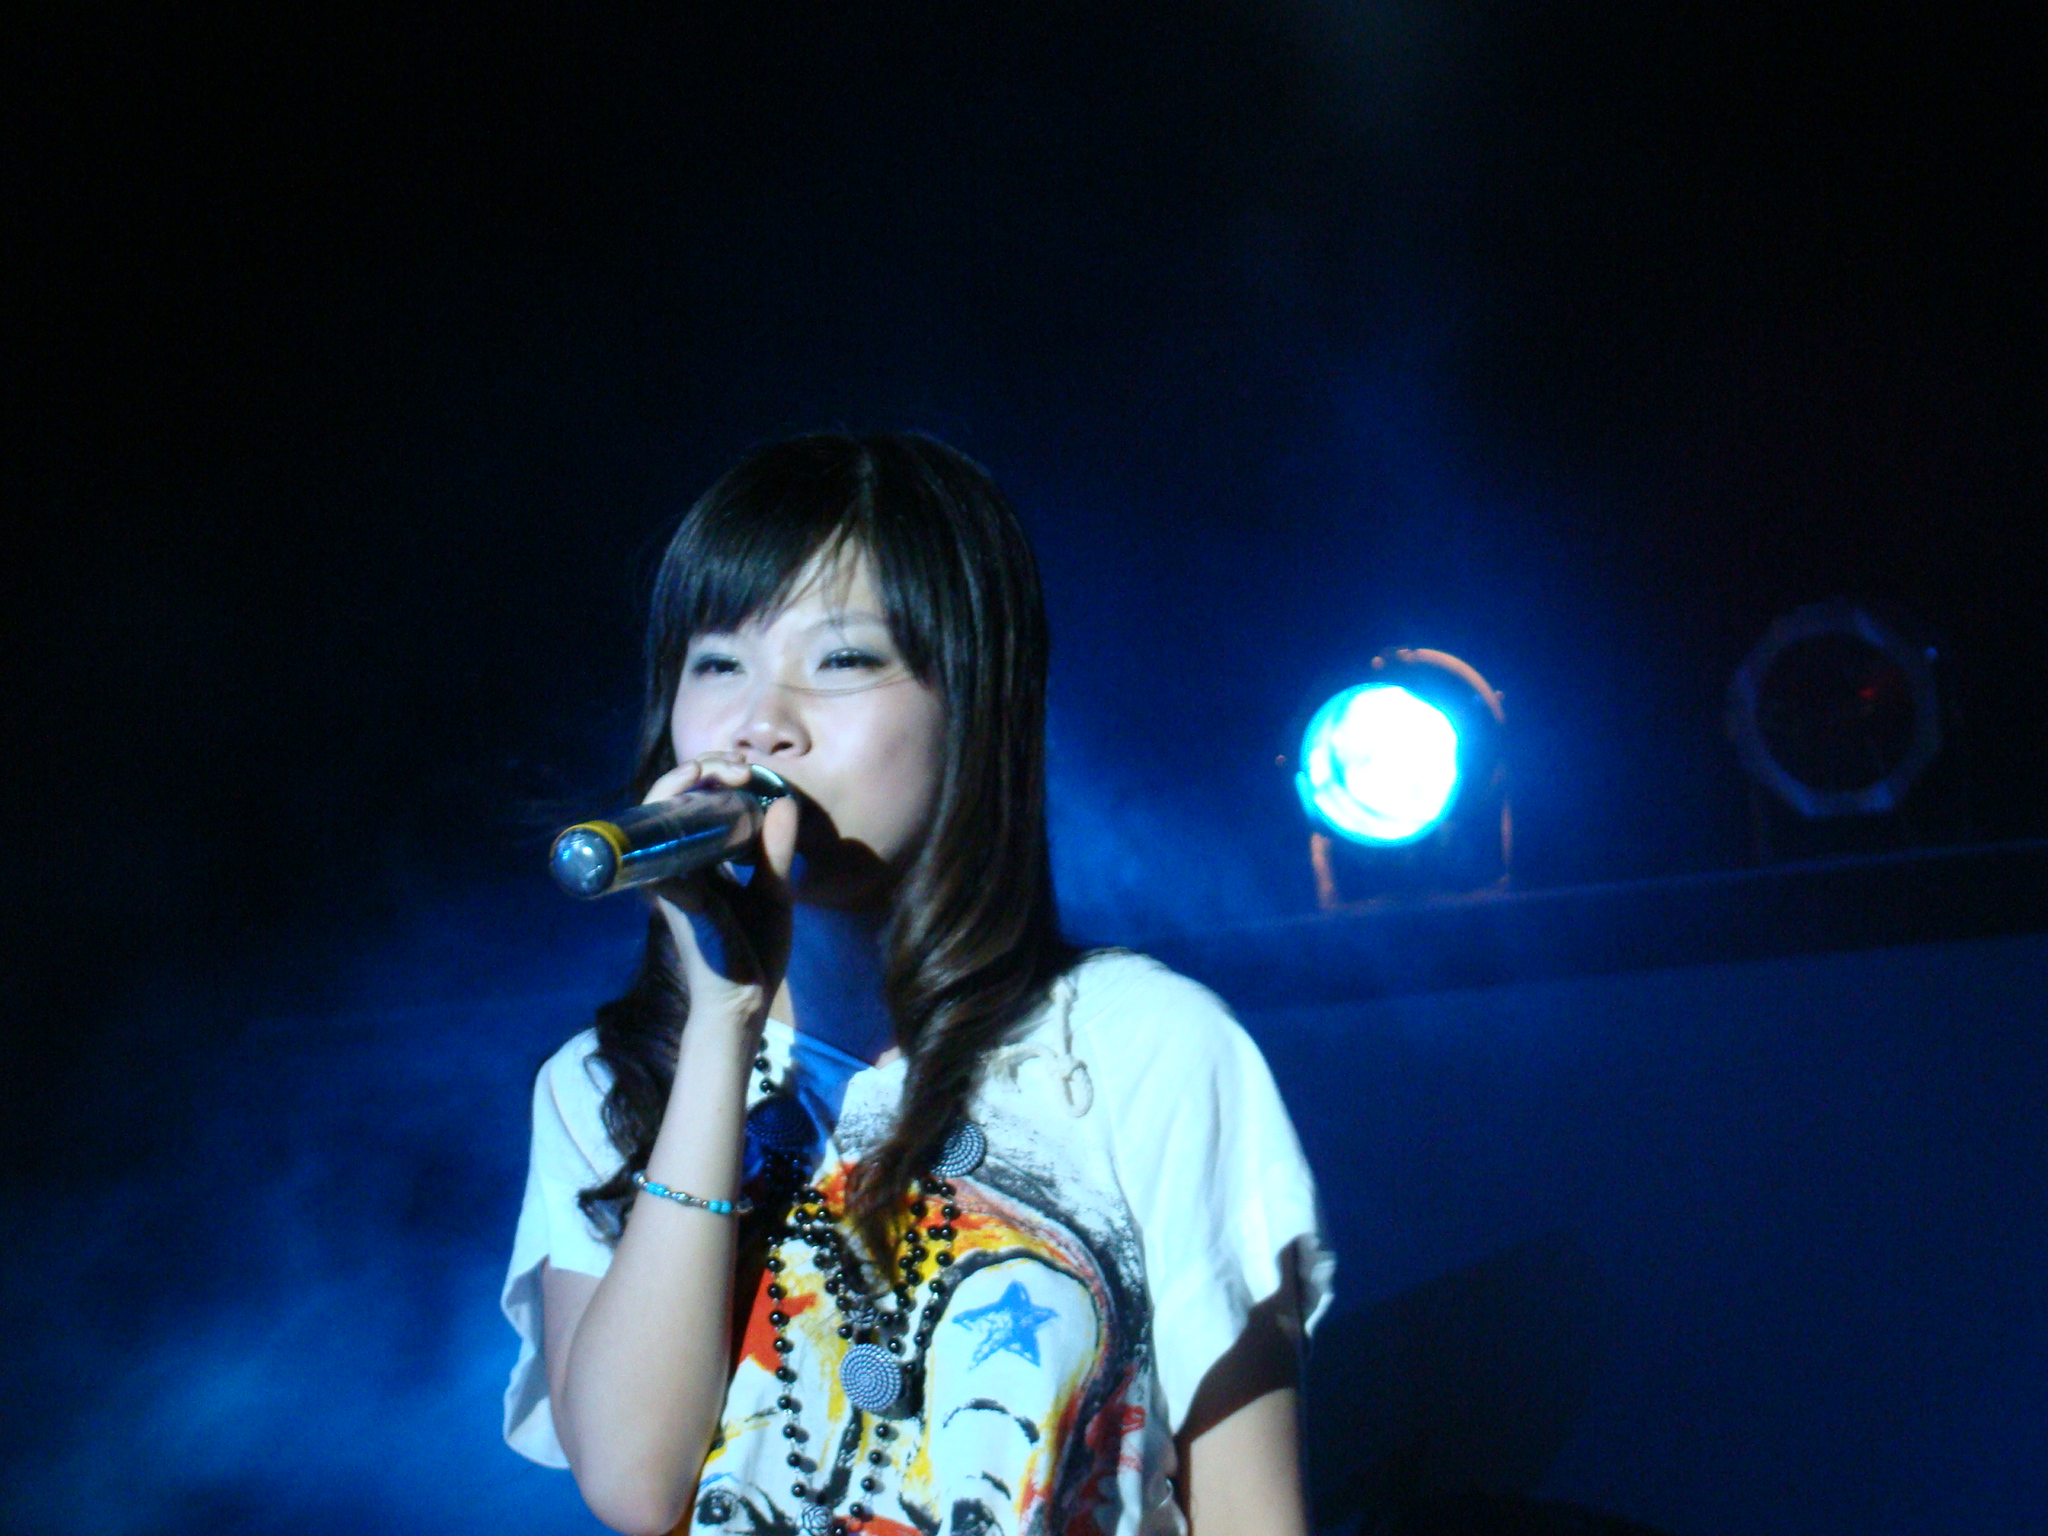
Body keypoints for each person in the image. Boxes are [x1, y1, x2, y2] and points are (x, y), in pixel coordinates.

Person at [501, 431, 1333, 1536]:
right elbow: (634, 1485)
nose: (760, 721)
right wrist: (721, 1026)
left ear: (974, 704)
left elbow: (1250, 1514)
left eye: (842, 660)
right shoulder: (604, 1087)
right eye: (717, 662)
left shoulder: (1147, 1048)